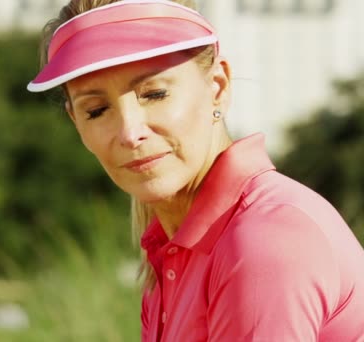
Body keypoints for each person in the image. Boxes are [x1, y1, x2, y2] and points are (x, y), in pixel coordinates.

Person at [27, 0, 364, 340]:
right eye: (97, 111)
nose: (130, 133)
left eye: (155, 94)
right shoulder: (169, 254)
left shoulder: (265, 238)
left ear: (217, 87)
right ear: (75, 121)